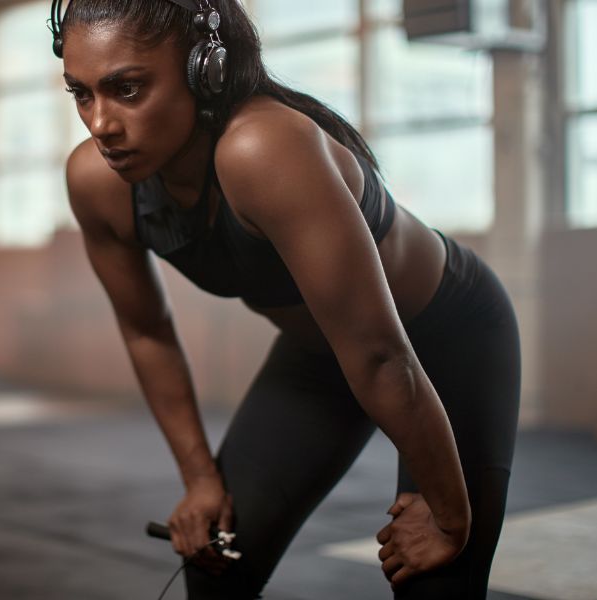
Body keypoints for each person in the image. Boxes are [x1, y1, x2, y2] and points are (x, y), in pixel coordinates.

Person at [50, 0, 520, 598]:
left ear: (206, 70)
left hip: (442, 338)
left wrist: (452, 519)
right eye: (82, 94)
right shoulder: (98, 183)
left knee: (435, 582)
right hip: (325, 355)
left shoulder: (264, 148)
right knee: (216, 560)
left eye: (128, 89)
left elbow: (380, 354)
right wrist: (200, 480)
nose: (100, 124)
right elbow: (147, 332)